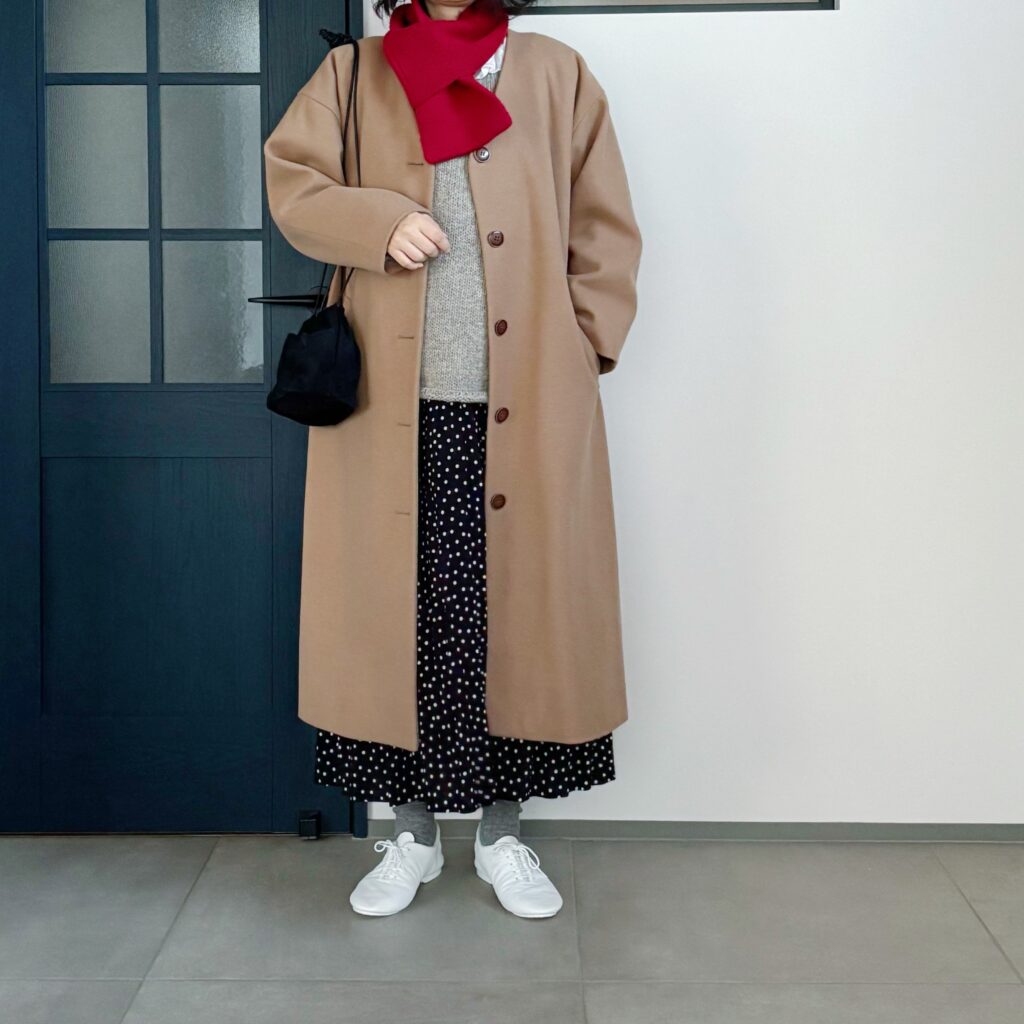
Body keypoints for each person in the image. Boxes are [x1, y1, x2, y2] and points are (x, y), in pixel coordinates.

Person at [264, 0, 642, 919]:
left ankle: (502, 839)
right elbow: (293, 181)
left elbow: (604, 225)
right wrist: (376, 222)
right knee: (402, 629)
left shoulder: (555, 71)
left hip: (530, 405)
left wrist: (585, 344)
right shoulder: (355, 72)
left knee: (518, 626)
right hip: (389, 410)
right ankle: (415, 840)